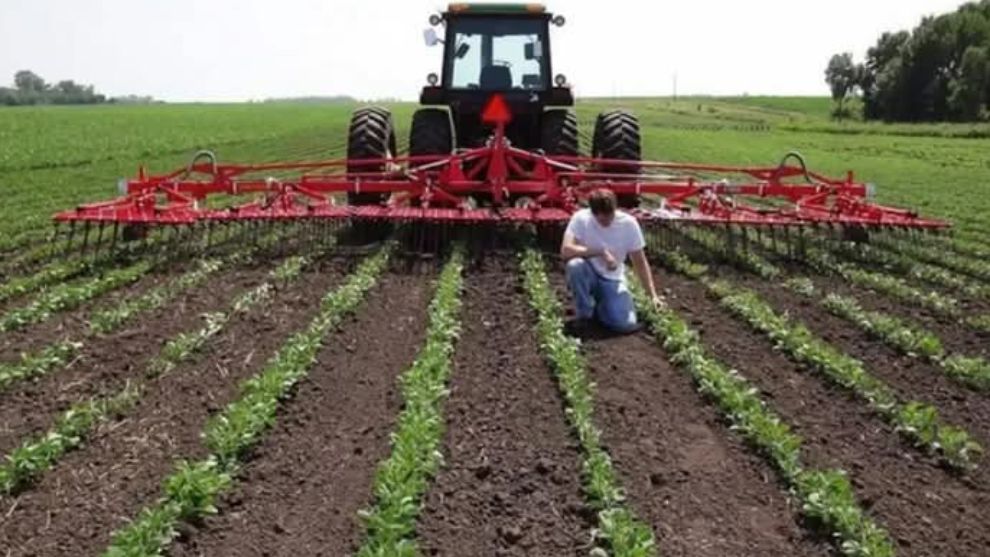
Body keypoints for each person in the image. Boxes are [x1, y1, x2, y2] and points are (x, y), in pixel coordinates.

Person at [559, 189, 664, 333]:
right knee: (575, 265)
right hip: (588, 274)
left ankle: (602, 306)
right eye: (601, 219)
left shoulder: (628, 224)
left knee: (623, 324)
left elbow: (639, 261)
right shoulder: (580, 219)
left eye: (609, 216)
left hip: (612, 278)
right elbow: (566, 251)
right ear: (593, 213)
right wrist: (600, 252)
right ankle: (584, 316)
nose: (606, 221)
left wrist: (652, 296)